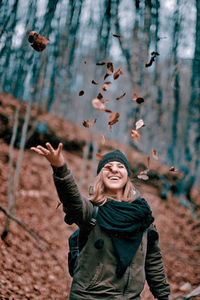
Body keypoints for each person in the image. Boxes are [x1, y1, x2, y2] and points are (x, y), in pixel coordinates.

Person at [31, 142, 170, 300]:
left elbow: (153, 260)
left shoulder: (143, 216)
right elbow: (72, 201)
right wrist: (60, 168)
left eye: (120, 166)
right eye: (108, 167)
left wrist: (163, 296)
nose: (114, 169)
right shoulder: (92, 211)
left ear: (127, 175)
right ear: (100, 177)